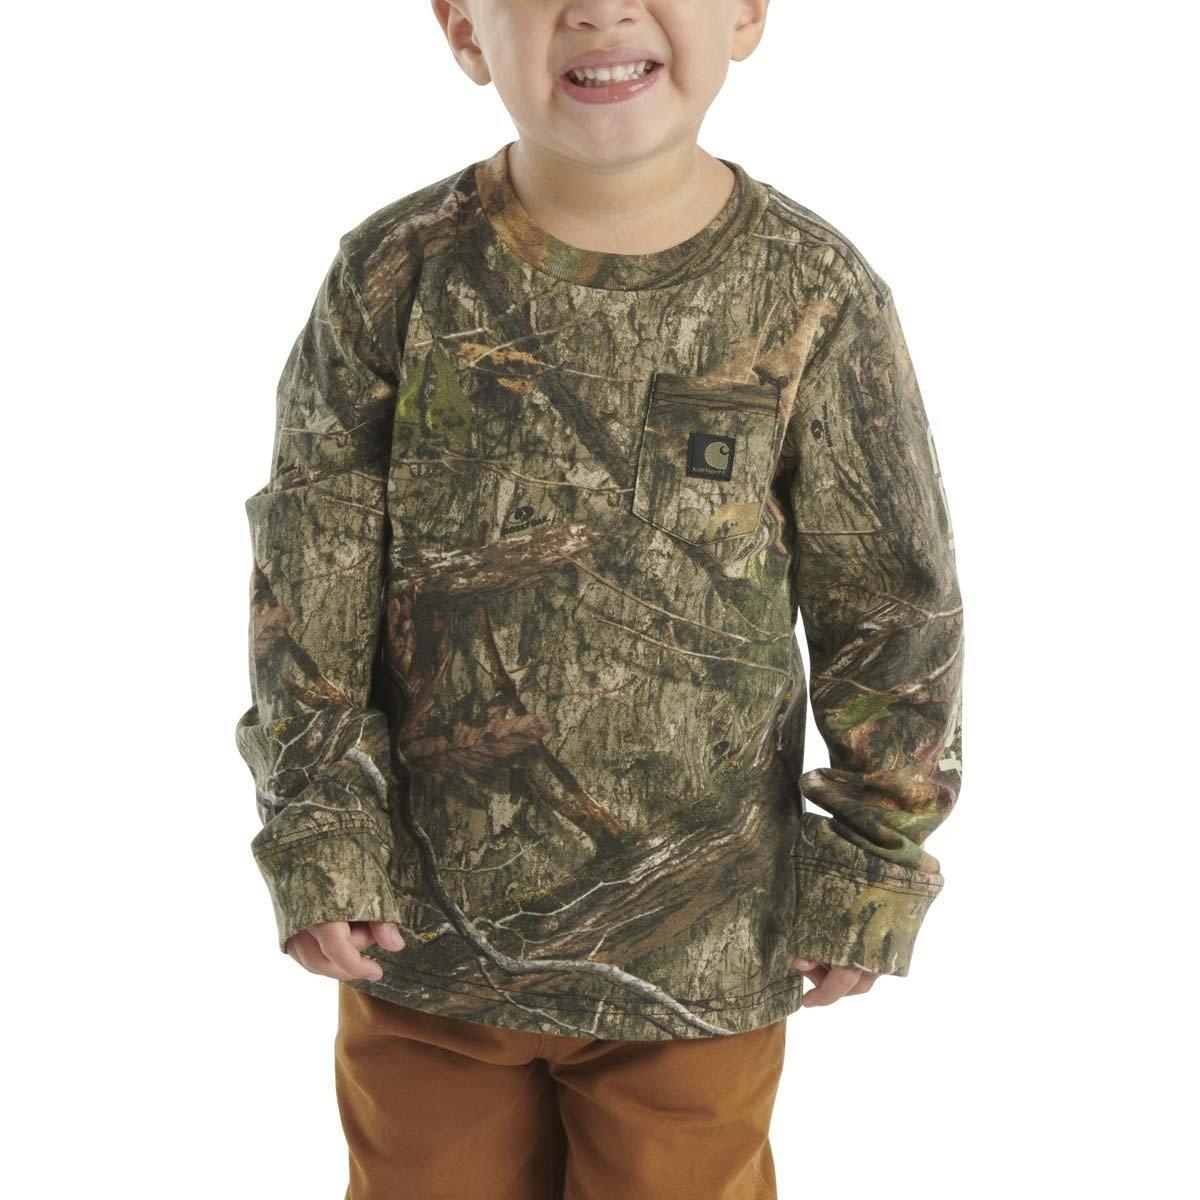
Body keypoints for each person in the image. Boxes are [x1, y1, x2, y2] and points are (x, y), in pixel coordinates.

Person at [233, 2, 964, 1196]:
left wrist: (874, 859)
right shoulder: (395, 274)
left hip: (703, 962)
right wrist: (322, 837)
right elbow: (309, 587)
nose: (602, 8)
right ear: (465, 30)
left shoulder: (813, 293)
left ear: (746, 13)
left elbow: (890, 601)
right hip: (422, 949)